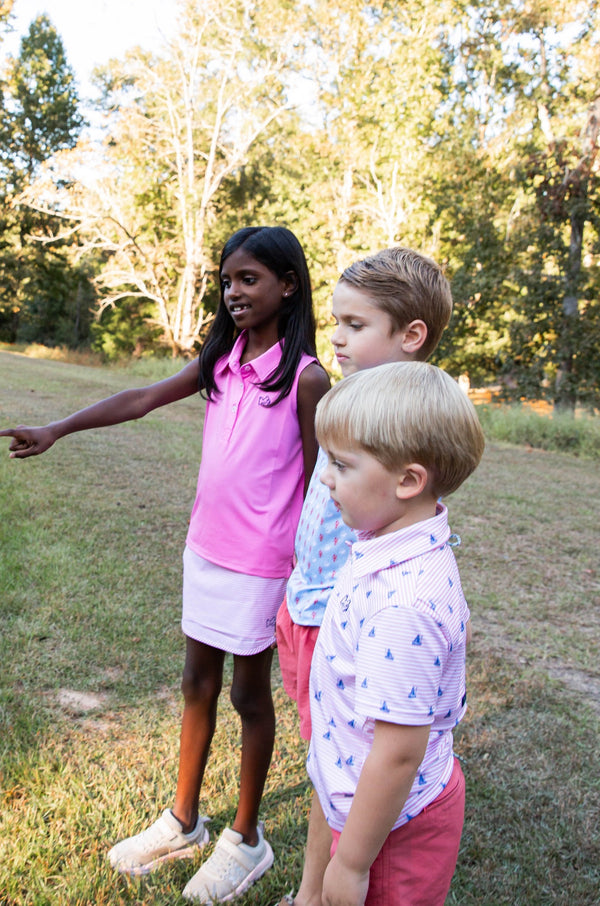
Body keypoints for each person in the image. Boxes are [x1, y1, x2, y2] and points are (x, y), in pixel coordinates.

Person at [0, 226, 331, 904]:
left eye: (249, 280)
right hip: (205, 550)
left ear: (287, 285)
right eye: (227, 280)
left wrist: (313, 571)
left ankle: (246, 836)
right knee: (195, 683)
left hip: (264, 563)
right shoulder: (223, 355)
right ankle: (184, 820)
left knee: (247, 695)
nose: (234, 292)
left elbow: (322, 481)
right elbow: (142, 398)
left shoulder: (308, 379)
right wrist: (59, 428)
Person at [274, 246, 453, 906]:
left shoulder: (401, 426)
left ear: (411, 336)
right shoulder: (353, 402)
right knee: (327, 758)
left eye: (356, 324)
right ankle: (309, 890)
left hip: (343, 624)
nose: (338, 338)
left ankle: (322, 885)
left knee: (343, 757)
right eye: (337, 323)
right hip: (313, 606)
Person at [306, 361, 485, 906]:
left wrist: (354, 865)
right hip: (355, 789)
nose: (324, 478)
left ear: (408, 481)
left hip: (390, 827)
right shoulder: (395, 542)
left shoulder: (402, 603)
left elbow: (398, 754)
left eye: (340, 464)